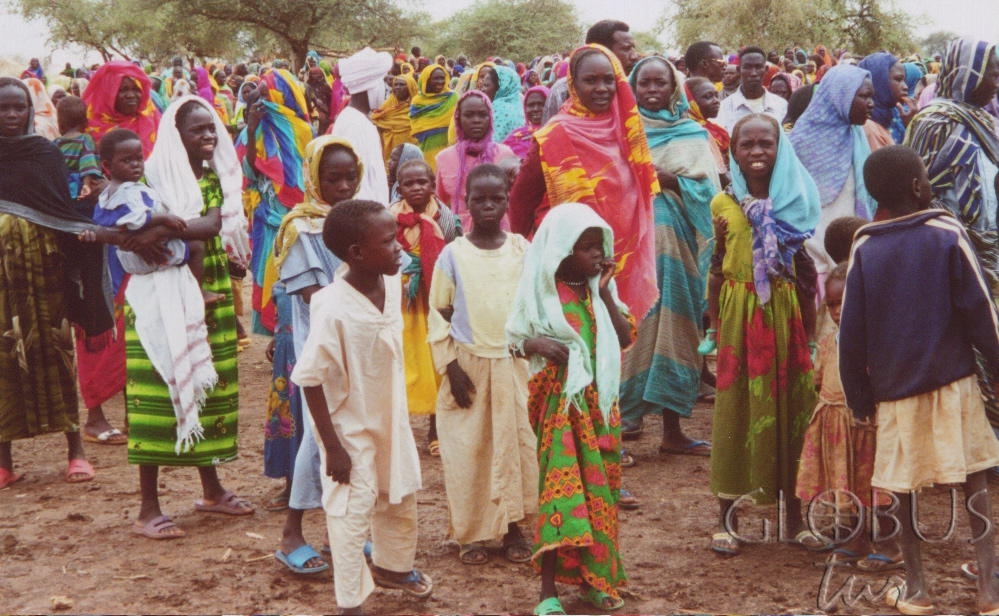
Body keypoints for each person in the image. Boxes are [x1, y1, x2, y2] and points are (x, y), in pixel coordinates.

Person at [840, 145, 999, 615]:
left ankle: (917, 589)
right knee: (975, 482)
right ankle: (989, 591)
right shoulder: (946, 233)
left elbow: (852, 331)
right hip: (954, 382)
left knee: (905, 489)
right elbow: (980, 311)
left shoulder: (866, 247)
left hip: (894, 390)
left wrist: (859, 397)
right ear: (917, 186)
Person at [291, 200, 432, 614]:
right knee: (351, 513)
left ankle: (393, 567)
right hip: (348, 428)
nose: (399, 246)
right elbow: (310, 379)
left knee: (398, 493)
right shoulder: (332, 306)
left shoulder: (391, 284)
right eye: (389, 241)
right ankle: (351, 601)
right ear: (356, 253)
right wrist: (332, 446)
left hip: (390, 415)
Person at [125, 96, 252, 539]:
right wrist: (162, 230)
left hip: (208, 287)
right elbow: (131, 231)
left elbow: (214, 223)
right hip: (160, 292)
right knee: (158, 390)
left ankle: (212, 490)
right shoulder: (150, 177)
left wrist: (161, 229)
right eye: (198, 129)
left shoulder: (215, 177)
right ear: (175, 135)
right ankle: (147, 509)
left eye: (212, 128)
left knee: (205, 384)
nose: (209, 136)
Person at [507, 202, 635, 614]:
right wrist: (536, 345)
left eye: (600, 245)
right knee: (561, 497)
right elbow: (513, 338)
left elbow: (624, 336)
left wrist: (603, 293)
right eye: (587, 247)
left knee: (600, 495)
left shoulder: (600, 290)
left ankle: (596, 581)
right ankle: (548, 593)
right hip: (560, 411)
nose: (597, 254)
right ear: (563, 251)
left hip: (600, 407)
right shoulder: (541, 293)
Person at [707, 114, 819, 556]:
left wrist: (809, 339)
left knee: (792, 410)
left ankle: (795, 520)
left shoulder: (797, 200)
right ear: (732, 151)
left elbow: (806, 275)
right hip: (739, 319)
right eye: (746, 145)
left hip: (785, 316)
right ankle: (727, 519)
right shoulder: (723, 204)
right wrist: (715, 330)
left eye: (765, 144)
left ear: (780, 148)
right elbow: (717, 268)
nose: (756, 153)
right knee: (734, 412)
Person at [0, 76, 113, 488]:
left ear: (31, 112)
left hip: (46, 276)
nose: (11, 115)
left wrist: (83, 219)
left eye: (19, 107)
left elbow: (60, 210)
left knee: (58, 353)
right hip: (2, 286)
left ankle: (75, 451)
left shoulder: (45, 154)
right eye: (4, 108)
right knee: (4, 363)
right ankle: (5, 461)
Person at [428, 164, 536, 566]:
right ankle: (471, 534)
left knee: (517, 447)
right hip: (469, 366)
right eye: (479, 199)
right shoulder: (453, 254)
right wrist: (450, 368)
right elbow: (439, 313)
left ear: (508, 200)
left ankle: (514, 528)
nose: (488, 205)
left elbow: (534, 303)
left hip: (514, 363)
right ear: (466, 203)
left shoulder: (521, 249)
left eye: (496, 198)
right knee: (469, 450)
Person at [269, 135, 365, 574]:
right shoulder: (300, 228)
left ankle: (339, 530)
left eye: (350, 177)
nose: (343, 186)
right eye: (333, 178)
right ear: (314, 178)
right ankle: (291, 533)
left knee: (352, 438)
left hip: (357, 349)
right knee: (316, 443)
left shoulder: (358, 222)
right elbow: (311, 295)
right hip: (321, 349)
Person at [509, 44, 660, 324]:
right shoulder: (554, 136)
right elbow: (520, 202)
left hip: (621, 260)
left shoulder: (626, 132)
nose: (602, 88)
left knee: (617, 337)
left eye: (608, 80)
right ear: (573, 85)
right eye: (591, 80)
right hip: (567, 266)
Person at [618, 56, 720, 453]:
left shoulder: (692, 133)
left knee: (678, 326)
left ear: (675, 88)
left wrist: (671, 181)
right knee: (633, 325)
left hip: (678, 253)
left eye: (661, 83)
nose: (653, 90)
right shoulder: (624, 132)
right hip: (633, 249)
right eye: (645, 84)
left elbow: (710, 193)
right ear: (633, 87)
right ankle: (627, 417)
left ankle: (673, 431)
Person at [89, 127, 222, 304]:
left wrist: (139, 235)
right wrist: (163, 220)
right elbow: (138, 219)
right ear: (107, 166)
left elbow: (104, 222)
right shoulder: (133, 189)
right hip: (149, 255)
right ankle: (197, 293)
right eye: (127, 161)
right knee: (196, 246)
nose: (135, 164)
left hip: (129, 256)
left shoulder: (107, 193)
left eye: (138, 159)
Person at [391, 158, 461, 455]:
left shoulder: (445, 218)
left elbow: (456, 254)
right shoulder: (389, 217)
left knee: (436, 364)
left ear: (433, 185)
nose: (416, 188)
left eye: (422, 182)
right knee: (404, 363)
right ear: (399, 188)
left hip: (435, 299)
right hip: (402, 300)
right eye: (409, 183)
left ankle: (436, 427)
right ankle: (399, 430)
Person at [237, 69, 315, 334]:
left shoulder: (303, 130)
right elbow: (249, 172)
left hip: (298, 216)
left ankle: (298, 331)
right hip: (268, 216)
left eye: (264, 88)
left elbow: (309, 176)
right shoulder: (255, 129)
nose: (259, 92)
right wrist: (251, 127)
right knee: (269, 274)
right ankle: (278, 336)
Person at [789, 63, 875, 278]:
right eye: (864, 96)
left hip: (853, 250)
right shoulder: (802, 140)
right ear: (841, 96)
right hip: (815, 257)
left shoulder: (856, 134)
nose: (871, 104)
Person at [435, 90, 517, 231]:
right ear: (458, 118)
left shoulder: (505, 154)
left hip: (500, 233)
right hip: (459, 235)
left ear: (490, 118)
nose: (476, 120)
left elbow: (516, 201)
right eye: (469, 115)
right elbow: (438, 204)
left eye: (482, 115)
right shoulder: (444, 158)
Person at [542, 20, 640, 124]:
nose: (634, 56)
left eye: (633, 48)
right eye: (626, 49)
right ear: (602, 51)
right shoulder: (562, 90)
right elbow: (548, 133)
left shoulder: (636, 87)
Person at [331, 47, 392, 205]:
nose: (386, 89)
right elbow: (358, 187)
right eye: (383, 82)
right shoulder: (353, 124)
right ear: (371, 87)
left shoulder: (360, 119)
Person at [83, 61, 161, 157]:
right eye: (123, 90)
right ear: (107, 94)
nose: (131, 95)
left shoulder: (153, 119)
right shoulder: (89, 129)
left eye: (136, 89)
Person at [717, 47, 789, 135]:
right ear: (739, 70)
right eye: (747, 67)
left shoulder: (781, 105)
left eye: (758, 67)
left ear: (766, 70)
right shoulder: (724, 108)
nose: (753, 73)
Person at [54, 95, 105, 204]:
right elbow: (87, 162)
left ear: (60, 123)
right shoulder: (84, 139)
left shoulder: (55, 143)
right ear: (85, 122)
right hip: (79, 188)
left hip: (59, 188)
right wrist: (86, 184)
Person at [857, 52, 913, 149]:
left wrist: (909, 125)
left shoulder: (894, 114)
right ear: (879, 81)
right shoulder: (863, 123)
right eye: (898, 79)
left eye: (905, 80)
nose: (905, 87)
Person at [409, 64, 458, 172]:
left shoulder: (453, 97)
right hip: (427, 149)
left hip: (449, 149)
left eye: (442, 78)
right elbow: (416, 127)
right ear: (426, 80)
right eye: (436, 78)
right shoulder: (417, 102)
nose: (440, 81)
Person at [685, 76, 730, 180]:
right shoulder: (692, 132)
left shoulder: (713, 127)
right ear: (691, 102)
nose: (716, 101)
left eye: (716, 96)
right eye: (708, 97)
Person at [370, 73, 418, 168]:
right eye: (395, 84)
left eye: (402, 84)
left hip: (411, 151)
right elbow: (376, 119)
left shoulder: (417, 108)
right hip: (389, 152)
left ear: (410, 87)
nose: (398, 87)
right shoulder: (388, 105)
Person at [473, 63, 525, 143]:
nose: (482, 89)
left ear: (500, 88)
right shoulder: (518, 104)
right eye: (483, 85)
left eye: (486, 85)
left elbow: (491, 143)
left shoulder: (498, 108)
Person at [503, 85, 549, 159]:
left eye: (541, 104)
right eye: (531, 105)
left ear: (549, 105)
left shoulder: (556, 133)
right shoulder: (515, 136)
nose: (535, 109)